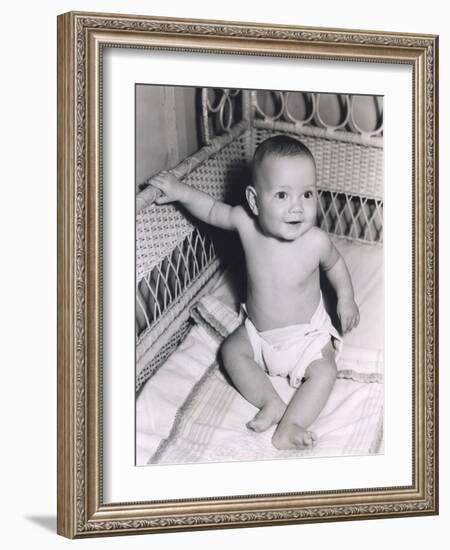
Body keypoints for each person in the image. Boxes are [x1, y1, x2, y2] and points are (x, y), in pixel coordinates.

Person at [150, 135, 359, 450]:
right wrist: (179, 191)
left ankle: (292, 425)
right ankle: (270, 401)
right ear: (254, 201)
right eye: (282, 195)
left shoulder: (315, 241)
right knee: (231, 352)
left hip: (306, 338)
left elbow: (336, 266)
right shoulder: (245, 224)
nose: (297, 207)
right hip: (258, 334)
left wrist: (346, 298)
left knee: (326, 369)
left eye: (307, 194)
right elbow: (209, 209)